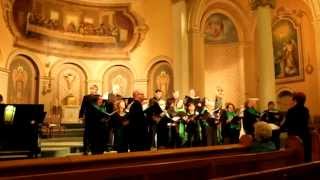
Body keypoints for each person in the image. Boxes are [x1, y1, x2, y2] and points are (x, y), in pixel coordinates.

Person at [284, 92, 311, 162]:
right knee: (306, 157)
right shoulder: (306, 110)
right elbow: (307, 122)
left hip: (293, 138)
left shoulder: (290, 111)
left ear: (295, 100)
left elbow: (286, 124)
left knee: (294, 159)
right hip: (305, 137)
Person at [79, 85, 99, 155]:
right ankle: (86, 149)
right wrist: (80, 116)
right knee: (87, 134)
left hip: (96, 118)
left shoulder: (99, 97)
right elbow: (83, 107)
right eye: (92, 89)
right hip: (88, 117)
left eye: (94, 89)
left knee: (95, 134)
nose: (93, 90)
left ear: (97, 90)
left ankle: (94, 149)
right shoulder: (86, 97)